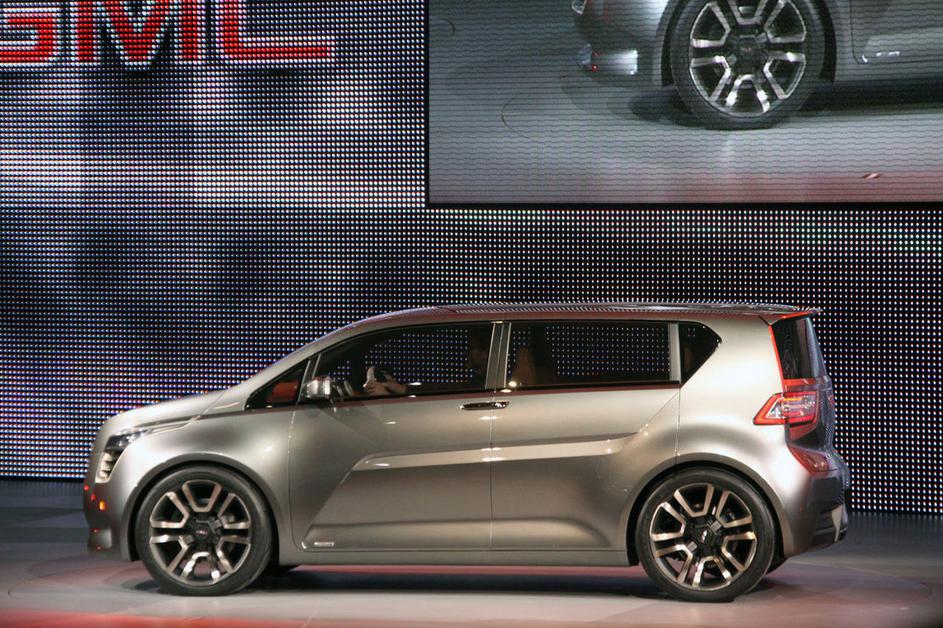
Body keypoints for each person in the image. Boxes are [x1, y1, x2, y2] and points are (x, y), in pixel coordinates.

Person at [363, 326, 492, 396]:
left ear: (484, 354)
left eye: (471, 349)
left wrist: (399, 391)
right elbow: (452, 388)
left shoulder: (485, 384)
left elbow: (451, 391)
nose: (466, 353)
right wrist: (403, 389)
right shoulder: (485, 381)